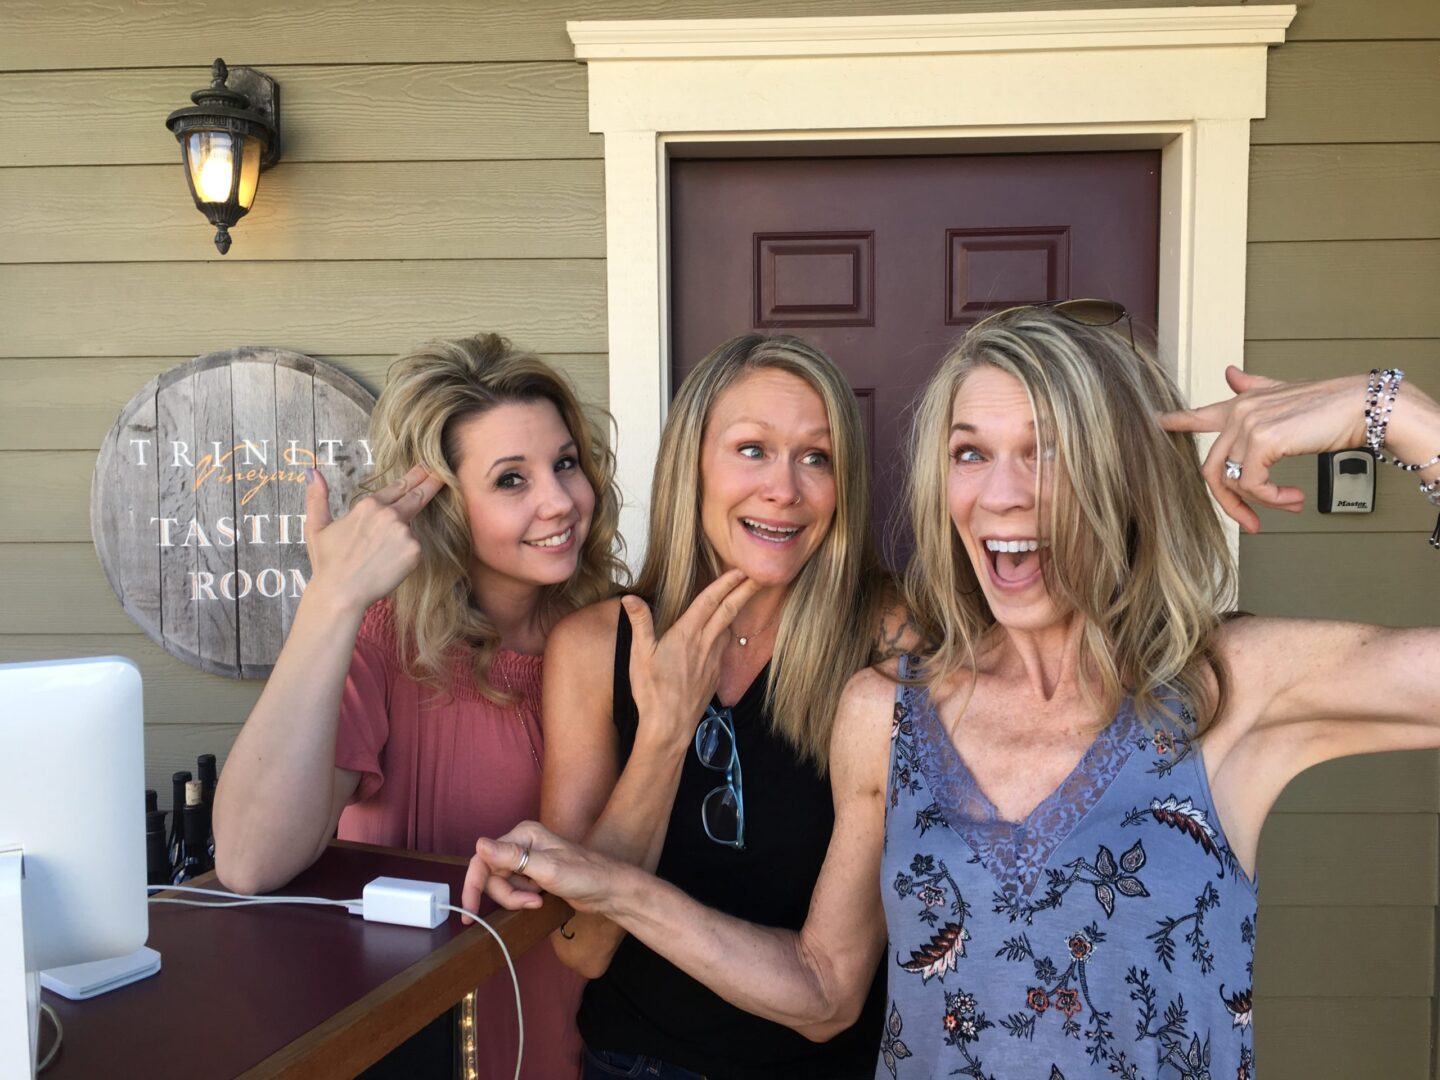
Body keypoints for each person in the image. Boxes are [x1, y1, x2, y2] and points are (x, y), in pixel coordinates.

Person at [461, 306, 1440, 1079]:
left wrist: (1391, 411)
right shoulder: (890, 709)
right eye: (972, 452)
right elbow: (825, 986)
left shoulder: (1229, 688)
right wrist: (611, 883)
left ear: (1123, 474)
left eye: (1047, 448)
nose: (1003, 493)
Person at [213, 332, 625, 1079]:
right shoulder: (386, 641)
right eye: (510, 480)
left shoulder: (612, 633)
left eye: (565, 464)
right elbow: (247, 860)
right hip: (426, 1049)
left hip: (584, 1044)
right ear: (441, 501)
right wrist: (330, 600)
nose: (560, 500)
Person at [536, 334, 897, 1078]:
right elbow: (584, 944)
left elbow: (835, 1000)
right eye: (752, 450)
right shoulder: (592, 645)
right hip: (636, 1062)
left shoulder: (890, 638)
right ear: (691, 464)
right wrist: (664, 734)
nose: (785, 490)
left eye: (817, 457)